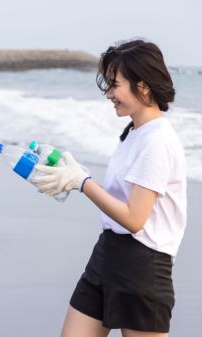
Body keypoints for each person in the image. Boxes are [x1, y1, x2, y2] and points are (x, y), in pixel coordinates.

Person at [33, 40, 186, 337]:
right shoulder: (134, 132)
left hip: (143, 266)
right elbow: (122, 200)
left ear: (142, 86)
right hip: (107, 254)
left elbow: (134, 219)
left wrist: (83, 182)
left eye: (115, 85)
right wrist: (71, 174)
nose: (109, 94)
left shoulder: (158, 141)